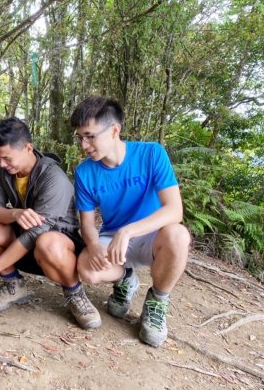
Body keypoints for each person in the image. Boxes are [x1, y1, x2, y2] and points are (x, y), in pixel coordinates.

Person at [70, 95, 190, 347]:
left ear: (114, 130)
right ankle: (126, 278)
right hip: (112, 238)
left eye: (90, 136)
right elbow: (88, 224)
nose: (84, 144)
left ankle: (157, 300)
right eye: (80, 137)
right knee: (87, 269)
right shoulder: (84, 172)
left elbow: (174, 210)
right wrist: (93, 246)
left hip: (152, 236)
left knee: (178, 235)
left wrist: (128, 231)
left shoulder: (151, 154)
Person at [0, 117, 100, 329]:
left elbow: (37, 233)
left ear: (28, 148)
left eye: (7, 158)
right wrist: (15, 214)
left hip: (57, 250)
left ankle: (75, 293)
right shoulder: (3, 171)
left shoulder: (53, 177)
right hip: (22, 243)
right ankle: (14, 284)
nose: (2, 164)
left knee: (48, 241)